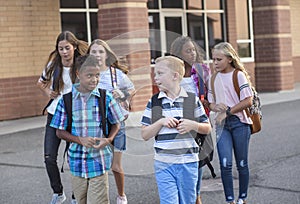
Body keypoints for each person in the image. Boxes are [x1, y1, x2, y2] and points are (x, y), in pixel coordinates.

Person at [50, 55, 126, 204]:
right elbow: (59, 131)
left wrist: (109, 139)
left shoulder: (105, 97)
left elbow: (117, 122)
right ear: (78, 74)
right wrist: (80, 140)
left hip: (99, 161)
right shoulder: (66, 100)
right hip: (76, 163)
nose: (94, 80)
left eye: (97, 75)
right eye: (89, 75)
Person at [141, 56, 211, 204]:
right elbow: (145, 134)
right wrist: (161, 122)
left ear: (175, 76)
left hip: (188, 162)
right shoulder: (154, 102)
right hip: (163, 163)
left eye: (160, 73)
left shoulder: (192, 100)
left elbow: (207, 128)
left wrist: (193, 126)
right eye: (155, 74)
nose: (156, 78)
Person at [36, 31, 88, 204]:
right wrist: (47, 92)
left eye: (67, 48)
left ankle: (76, 196)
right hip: (54, 114)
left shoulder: (81, 64)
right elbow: (41, 82)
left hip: (76, 116)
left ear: (73, 47)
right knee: (49, 157)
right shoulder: (54, 64)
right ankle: (58, 193)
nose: (64, 52)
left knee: (74, 158)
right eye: (61, 49)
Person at [88, 39, 135, 204]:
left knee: (115, 166)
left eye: (101, 51)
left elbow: (131, 89)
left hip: (116, 122)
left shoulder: (115, 73)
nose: (97, 55)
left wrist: (122, 95)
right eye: (93, 52)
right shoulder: (87, 73)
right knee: (98, 166)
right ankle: (100, 198)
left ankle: (121, 195)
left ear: (106, 54)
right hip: (95, 123)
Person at [208, 42, 253, 204]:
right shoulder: (212, 78)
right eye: (213, 59)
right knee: (225, 164)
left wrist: (227, 111)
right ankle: (229, 200)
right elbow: (210, 103)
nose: (215, 63)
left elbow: (248, 100)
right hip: (222, 126)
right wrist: (215, 106)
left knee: (242, 163)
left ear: (229, 58)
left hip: (240, 123)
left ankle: (242, 198)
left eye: (219, 59)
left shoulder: (238, 75)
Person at [170, 36, 211, 204]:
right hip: (178, 124)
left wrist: (208, 103)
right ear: (179, 54)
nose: (192, 53)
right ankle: (182, 193)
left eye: (194, 49)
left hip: (199, 122)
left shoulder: (202, 71)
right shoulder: (173, 73)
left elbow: (211, 93)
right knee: (181, 160)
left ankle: (196, 194)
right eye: (188, 51)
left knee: (199, 160)